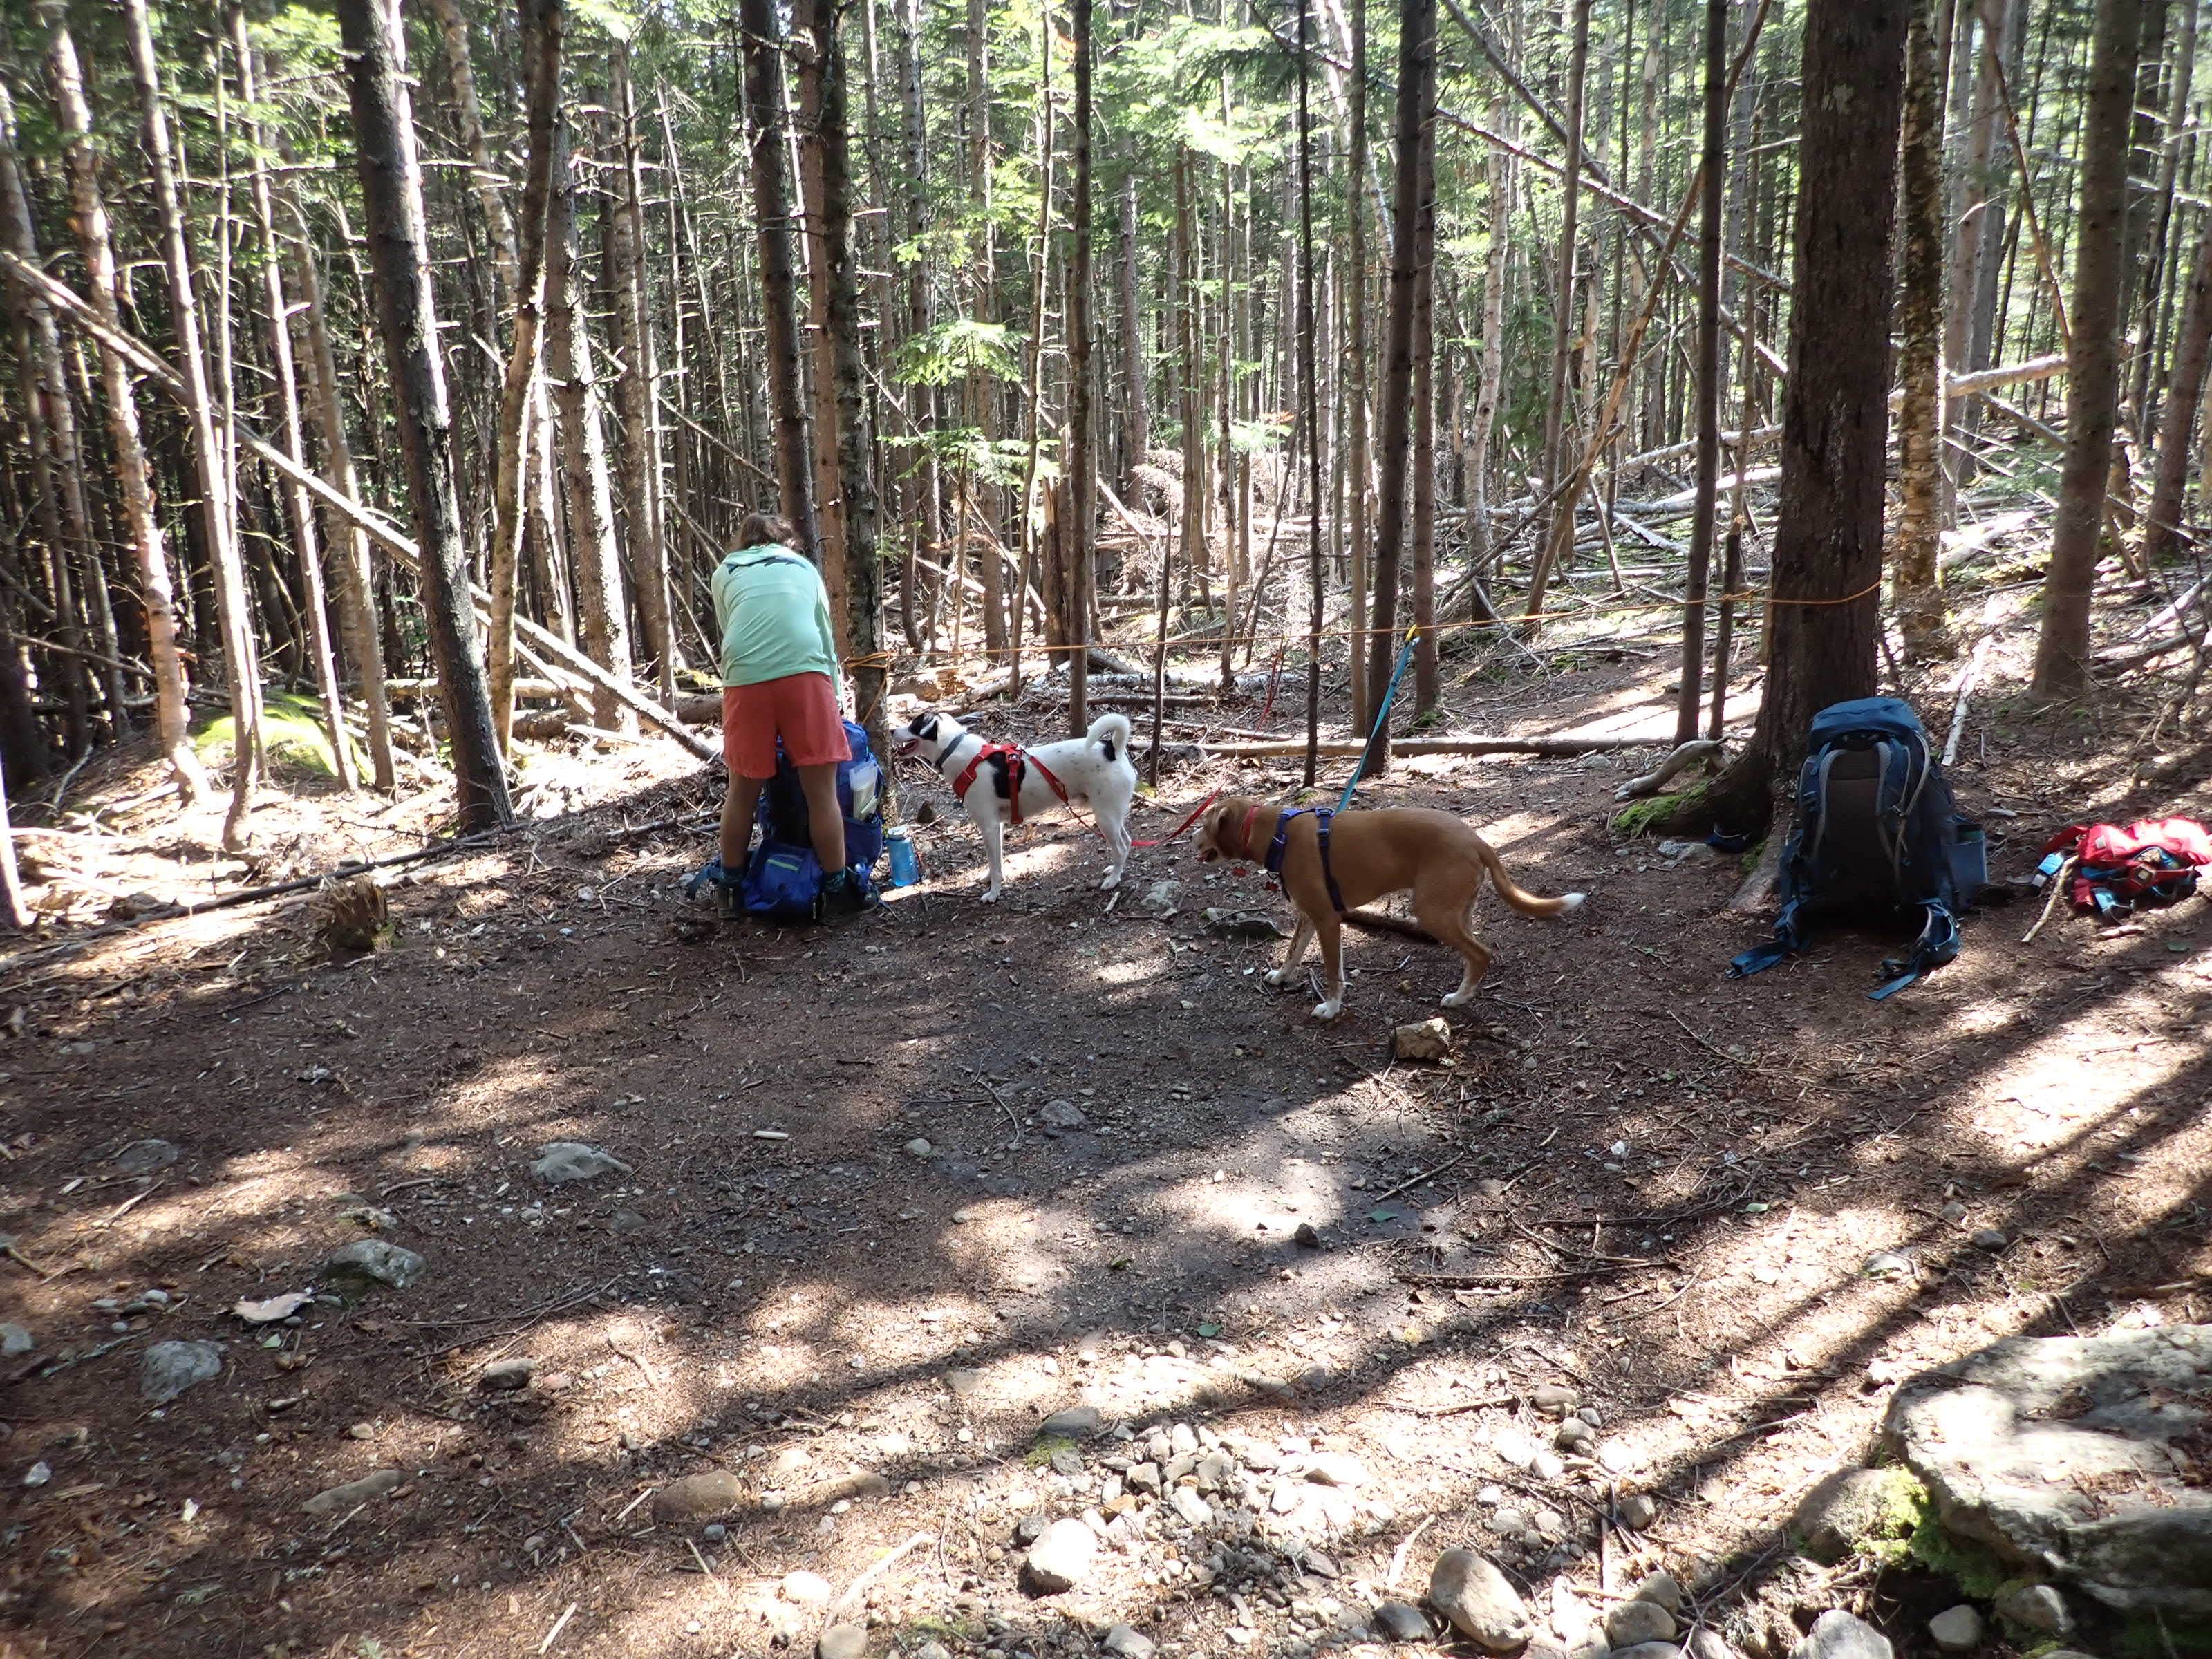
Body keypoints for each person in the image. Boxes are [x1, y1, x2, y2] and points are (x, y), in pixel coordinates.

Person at [709, 513, 875, 916]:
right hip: (806, 672)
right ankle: (837, 889)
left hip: (746, 678)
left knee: (742, 790)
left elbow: (729, 628)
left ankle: (730, 890)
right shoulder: (803, 568)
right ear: (787, 544)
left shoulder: (726, 570)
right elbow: (822, 632)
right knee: (821, 793)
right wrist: (833, 695)